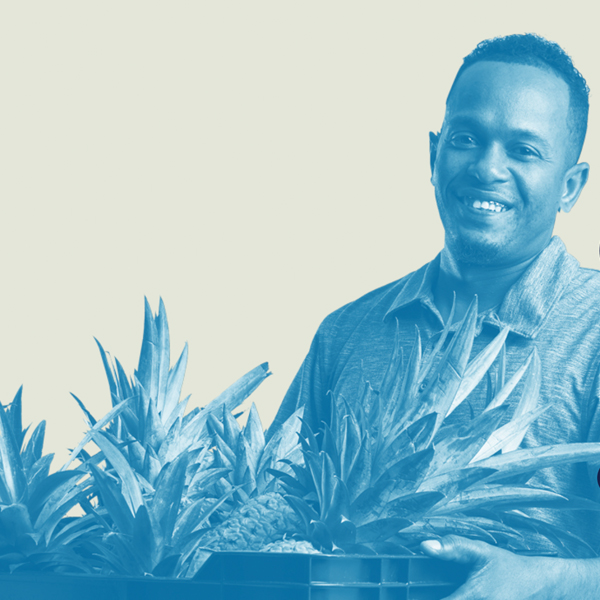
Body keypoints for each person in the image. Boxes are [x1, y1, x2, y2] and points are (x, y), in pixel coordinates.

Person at [267, 34, 600, 598]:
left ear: (570, 186)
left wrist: (542, 581)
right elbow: (277, 514)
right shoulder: (346, 332)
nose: (488, 168)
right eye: (466, 139)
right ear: (433, 155)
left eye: (524, 150)